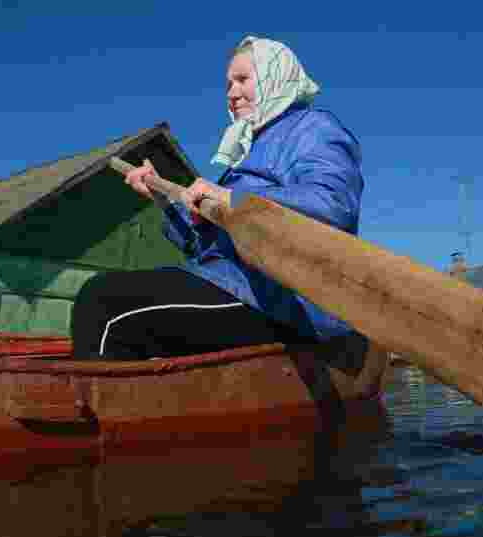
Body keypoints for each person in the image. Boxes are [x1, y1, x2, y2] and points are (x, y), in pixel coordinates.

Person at [71, 35, 364, 360]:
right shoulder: (246, 155)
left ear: (275, 75)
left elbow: (334, 205)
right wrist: (161, 197)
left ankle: (94, 407)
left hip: (282, 297)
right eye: (227, 85)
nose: (232, 93)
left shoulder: (312, 129)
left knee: (103, 301)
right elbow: (201, 247)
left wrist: (231, 196)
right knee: (103, 296)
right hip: (231, 281)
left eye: (242, 80)